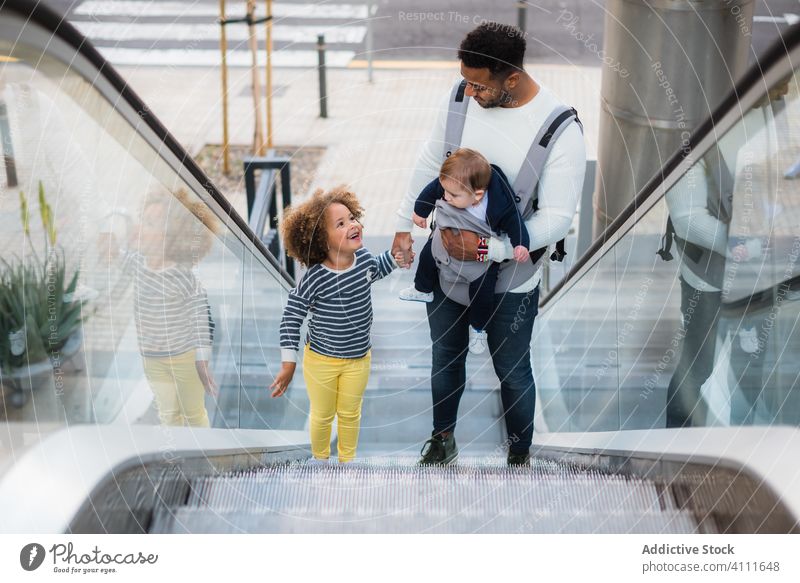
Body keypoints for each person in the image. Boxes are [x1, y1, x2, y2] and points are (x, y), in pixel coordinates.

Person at [392, 23, 586, 465]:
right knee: (444, 359)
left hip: (511, 280)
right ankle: (442, 440)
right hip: (445, 269)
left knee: (513, 372)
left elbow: (557, 219)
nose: (471, 91)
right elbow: (430, 158)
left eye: (481, 85)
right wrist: (404, 223)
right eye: (467, 81)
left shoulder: (560, 129)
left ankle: (519, 455)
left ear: (511, 79)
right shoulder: (461, 96)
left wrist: (490, 251)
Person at [270, 187, 404, 463]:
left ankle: (347, 462)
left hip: (358, 359)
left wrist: (395, 258)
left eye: (352, 218)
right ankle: (320, 460)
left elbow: (377, 268)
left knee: (350, 412)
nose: (353, 225)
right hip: (321, 361)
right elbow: (292, 317)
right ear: (322, 240)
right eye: (340, 224)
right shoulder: (315, 278)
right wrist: (288, 363)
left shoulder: (364, 258)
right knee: (322, 414)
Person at [103, 190, 219, 427]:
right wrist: (110, 247)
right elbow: (118, 257)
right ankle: (177, 457)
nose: (141, 229)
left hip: (184, 359)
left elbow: (201, 323)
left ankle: (202, 453)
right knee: (168, 414)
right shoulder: (139, 265)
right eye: (143, 221)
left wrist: (203, 363)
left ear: (174, 236)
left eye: (151, 224)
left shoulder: (184, 278)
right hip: (152, 359)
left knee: (194, 413)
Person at [398, 147, 530, 354]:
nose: (446, 197)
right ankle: (422, 289)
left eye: (453, 195)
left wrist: (521, 244)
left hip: (480, 255)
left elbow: (515, 222)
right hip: (445, 238)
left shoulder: (498, 204)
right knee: (427, 256)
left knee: (483, 291)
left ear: (477, 196)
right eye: (445, 191)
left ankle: (478, 329)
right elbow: (431, 190)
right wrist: (419, 211)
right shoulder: (451, 185)